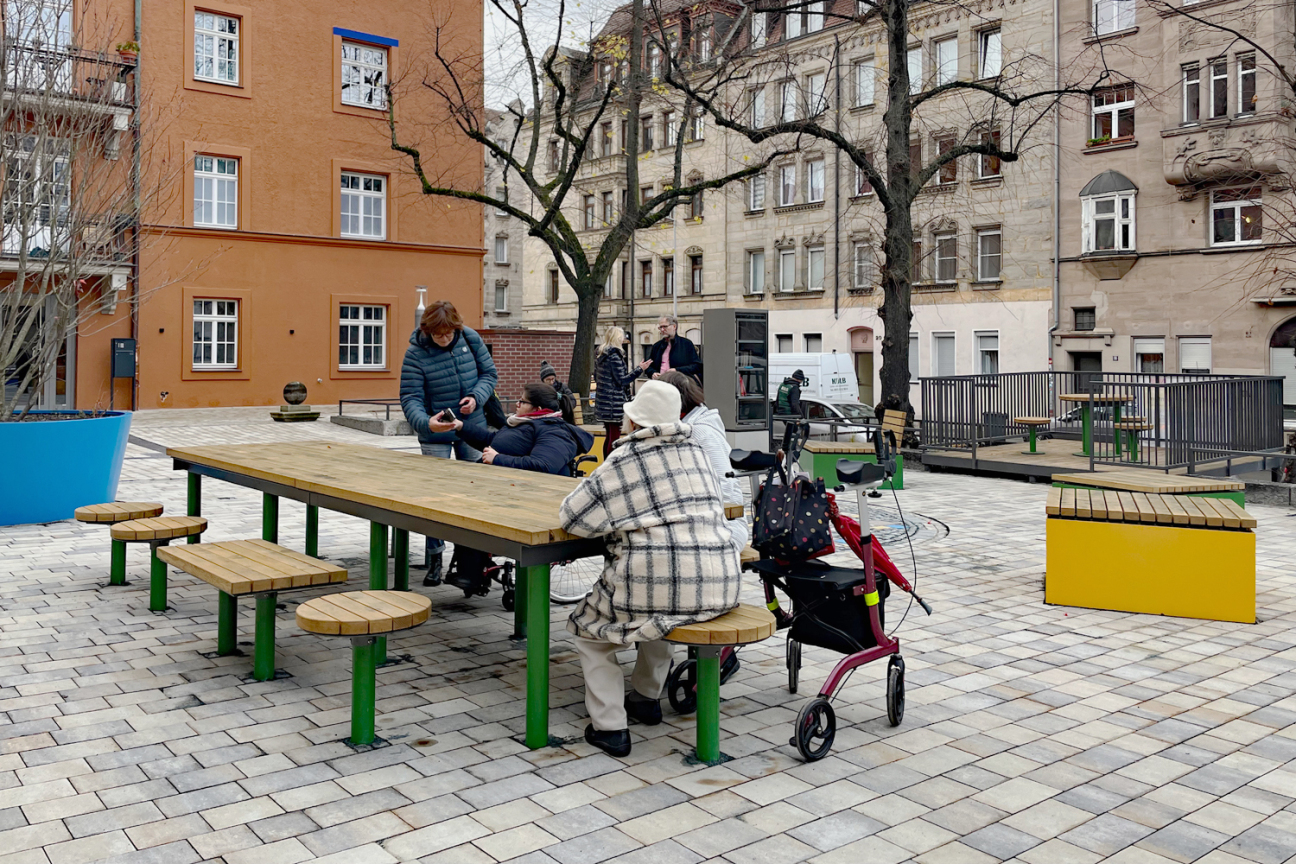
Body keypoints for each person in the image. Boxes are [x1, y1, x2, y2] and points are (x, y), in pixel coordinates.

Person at [560, 380, 742, 757]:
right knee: (660, 613)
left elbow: (573, 517)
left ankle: (610, 727)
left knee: (590, 632)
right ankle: (645, 697)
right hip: (721, 583)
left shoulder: (626, 458)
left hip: (657, 579)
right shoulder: (696, 452)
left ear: (632, 420)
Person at [429, 382, 594, 593]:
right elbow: (493, 441)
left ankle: (472, 572)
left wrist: (498, 459)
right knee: (460, 505)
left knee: (471, 510)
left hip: (530, 499)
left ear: (537, 408)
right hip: (506, 490)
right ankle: (472, 571)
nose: (516, 404)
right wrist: (460, 426)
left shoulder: (555, 431)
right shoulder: (525, 423)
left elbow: (544, 465)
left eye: (522, 401)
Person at [400, 300, 498, 587]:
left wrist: (476, 398)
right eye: (437, 335)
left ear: (456, 327)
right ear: (427, 330)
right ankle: (435, 557)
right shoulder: (416, 353)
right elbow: (410, 398)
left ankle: (471, 558)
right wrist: (426, 422)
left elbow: (489, 374)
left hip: (471, 427)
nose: (443, 339)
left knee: (473, 492)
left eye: (448, 334)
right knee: (436, 495)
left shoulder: (469, 337)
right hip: (436, 431)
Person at [659, 371, 750, 550]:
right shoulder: (686, 426)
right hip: (703, 522)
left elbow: (724, 485)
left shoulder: (701, 432)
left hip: (723, 527)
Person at [594, 326, 637, 456]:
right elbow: (622, 381)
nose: (623, 338)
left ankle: (604, 465)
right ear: (617, 338)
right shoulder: (614, 357)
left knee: (609, 436)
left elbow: (596, 377)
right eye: (622, 335)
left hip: (604, 402)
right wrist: (640, 369)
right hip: (614, 403)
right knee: (614, 438)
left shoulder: (602, 356)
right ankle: (609, 467)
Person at [638, 315, 701, 381]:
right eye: (660, 327)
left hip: (680, 384)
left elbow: (697, 366)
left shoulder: (686, 344)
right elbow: (649, 367)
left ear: (674, 326)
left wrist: (677, 370)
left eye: (665, 326)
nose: (662, 330)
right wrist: (653, 373)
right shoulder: (656, 346)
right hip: (661, 383)